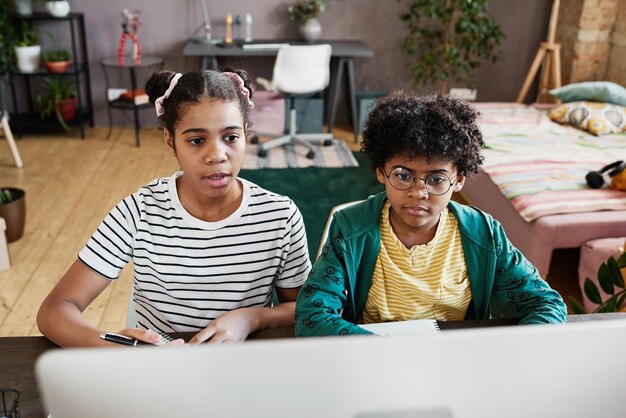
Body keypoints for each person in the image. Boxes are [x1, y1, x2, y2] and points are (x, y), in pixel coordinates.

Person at [38, 69, 311, 346]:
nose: (217, 155)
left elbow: (306, 309)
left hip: (242, 367)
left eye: (230, 137)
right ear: (170, 141)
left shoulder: (280, 216)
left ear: (246, 135)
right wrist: (113, 348)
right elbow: (55, 310)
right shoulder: (139, 212)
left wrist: (252, 317)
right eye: (196, 140)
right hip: (161, 370)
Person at [295, 92, 567, 336]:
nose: (418, 192)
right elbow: (312, 316)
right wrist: (386, 351)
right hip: (374, 360)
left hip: (453, 361)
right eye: (403, 175)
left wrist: (512, 350)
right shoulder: (350, 229)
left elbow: (547, 303)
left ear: (458, 180)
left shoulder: (483, 234)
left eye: (436, 179)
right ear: (381, 172)